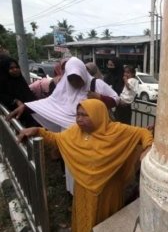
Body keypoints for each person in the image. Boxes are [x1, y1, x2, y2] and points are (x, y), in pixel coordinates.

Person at [17, 98, 153, 232]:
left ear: (97, 114)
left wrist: (148, 147)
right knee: (84, 219)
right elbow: (56, 139)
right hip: (83, 189)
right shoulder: (75, 132)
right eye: (78, 114)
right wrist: (38, 131)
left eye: (84, 115)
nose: (79, 119)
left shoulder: (117, 131)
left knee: (106, 226)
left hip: (108, 190)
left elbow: (142, 133)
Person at [7, 57, 121, 194]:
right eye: (71, 78)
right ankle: (73, 193)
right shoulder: (64, 86)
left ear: (83, 73)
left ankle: (94, 192)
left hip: (92, 133)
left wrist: (99, 97)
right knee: (71, 165)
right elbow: (51, 103)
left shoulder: (96, 84)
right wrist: (26, 107)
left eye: (77, 78)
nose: (74, 82)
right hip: (69, 134)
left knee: (91, 165)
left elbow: (116, 100)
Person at [0, 54, 38, 127]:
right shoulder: (3, 84)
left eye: (17, 67)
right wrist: (15, 101)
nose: (15, 70)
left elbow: (29, 96)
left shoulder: (20, 81)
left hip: (31, 115)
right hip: (17, 119)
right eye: (11, 68)